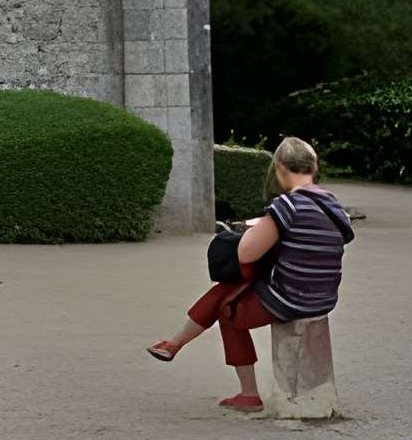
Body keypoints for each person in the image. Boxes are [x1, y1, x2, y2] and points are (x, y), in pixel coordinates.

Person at [145, 136, 353, 410]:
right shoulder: (332, 204)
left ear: (279, 169)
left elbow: (246, 253)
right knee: (236, 288)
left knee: (228, 308)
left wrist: (252, 228)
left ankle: (248, 393)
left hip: (292, 298)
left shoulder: (286, 206)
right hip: (323, 296)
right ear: (313, 168)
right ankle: (174, 343)